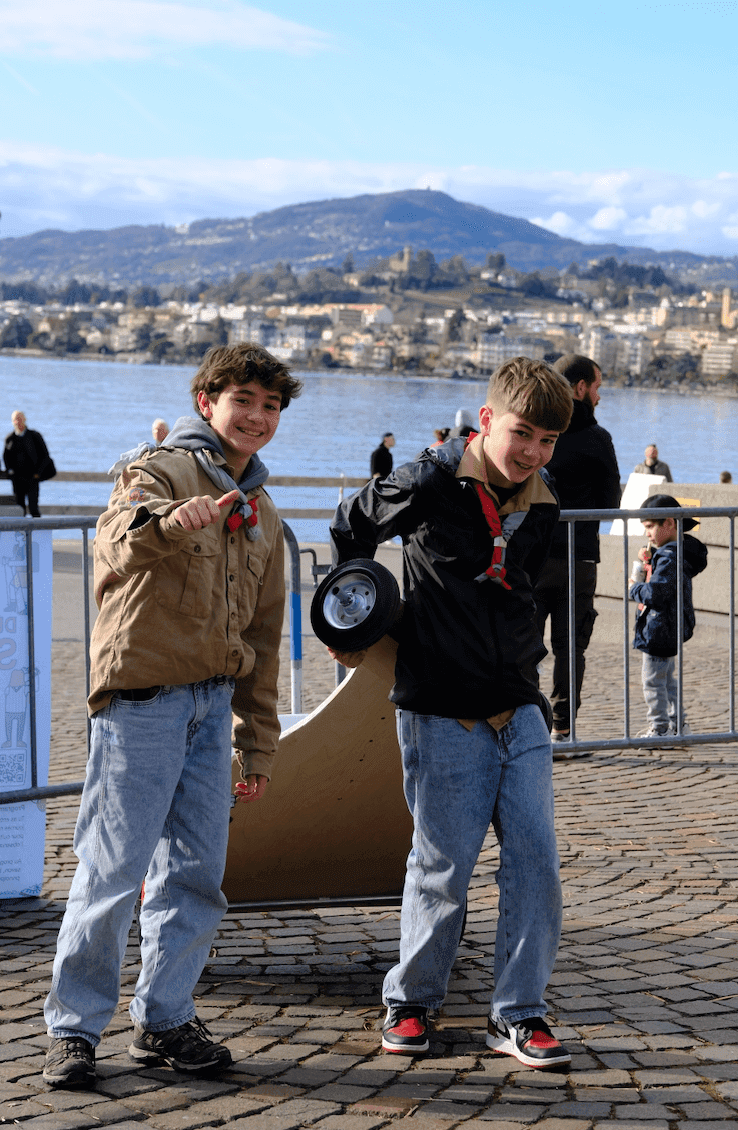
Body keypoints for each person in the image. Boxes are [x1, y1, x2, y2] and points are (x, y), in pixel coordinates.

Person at [43, 343, 302, 1089]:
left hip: (213, 707)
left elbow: (262, 637)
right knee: (111, 872)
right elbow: (115, 537)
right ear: (206, 402)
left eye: (270, 406)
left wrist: (258, 745)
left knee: (195, 878)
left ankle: (164, 1019)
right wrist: (169, 521)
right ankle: (74, 1029)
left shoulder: (264, 511)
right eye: (243, 400)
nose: (256, 416)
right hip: (144, 705)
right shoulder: (157, 468)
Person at [328, 356, 574, 1068]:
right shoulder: (430, 480)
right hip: (440, 707)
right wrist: (361, 617)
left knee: (536, 863)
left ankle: (519, 1015)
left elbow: (524, 585)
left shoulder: (543, 499)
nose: (532, 452)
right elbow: (350, 527)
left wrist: (537, 675)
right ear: (487, 418)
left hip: (518, 704)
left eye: (548, 441)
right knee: (444, 866)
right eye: (523, 433)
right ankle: (411, 1003)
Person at [533, 354, 621, 751]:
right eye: (598, 387)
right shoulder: (597, 439)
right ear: (581, 387)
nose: (600, 396)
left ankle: (526, 728)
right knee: (572, 648)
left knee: (524, 645)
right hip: (579, 557)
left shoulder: (537, 432)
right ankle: (562, 731)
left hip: (532, 557)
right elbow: (610, 505)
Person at [629, 494, 707, 740]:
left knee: (653, 682)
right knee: (667, 681)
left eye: (651, 526)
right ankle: (679, 725)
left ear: (670, 523)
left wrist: (634, 587)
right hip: (668, 627)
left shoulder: (670, 556)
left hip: (659, 628)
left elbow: (658, 592)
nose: (648, 534)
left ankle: (660, 728)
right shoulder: (675, 553)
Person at [3, 410, 55, 517]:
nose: (18, 422)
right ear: (13, 422)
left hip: (32, 478)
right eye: (16, 419)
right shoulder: (10, 439)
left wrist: (38, 473)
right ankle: (20, 533)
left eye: (20, 418)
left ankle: (36, 532)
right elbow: (5, 457)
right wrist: (10, 471)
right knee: (19, 509)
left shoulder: (35, 436)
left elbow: (45, 457)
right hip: (17, 479)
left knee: (33, 508)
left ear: (25, 420)